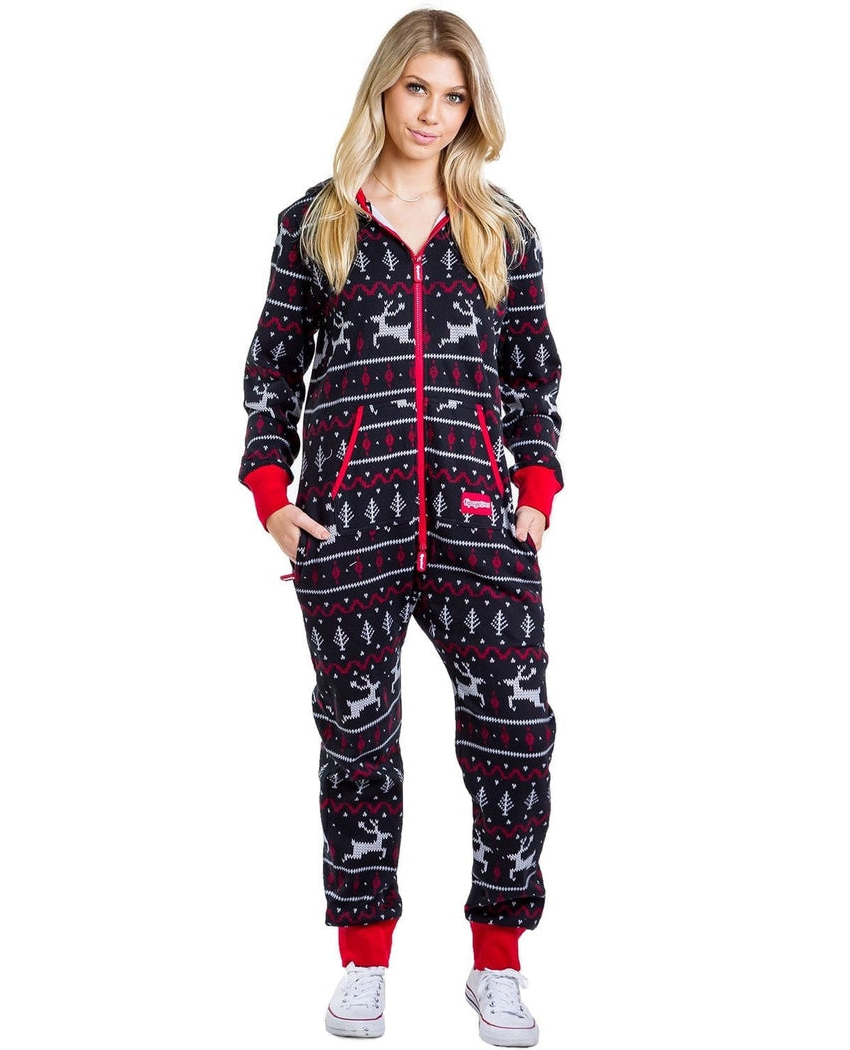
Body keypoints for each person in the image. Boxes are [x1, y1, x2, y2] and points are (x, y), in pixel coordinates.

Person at [238, 9, 564, 1045]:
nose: (433, 113)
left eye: (454, 95)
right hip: (347, 530)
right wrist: (273, 498)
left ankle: (497, 963)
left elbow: (533, 375)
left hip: (480, 526)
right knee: (359, 745)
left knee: (516, 740)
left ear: (474, 109)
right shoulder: (316, 222)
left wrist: (535, 493)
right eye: (417, 87)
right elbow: (272, 365)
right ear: (384, 88)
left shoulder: (501, 227)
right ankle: (365, 960)